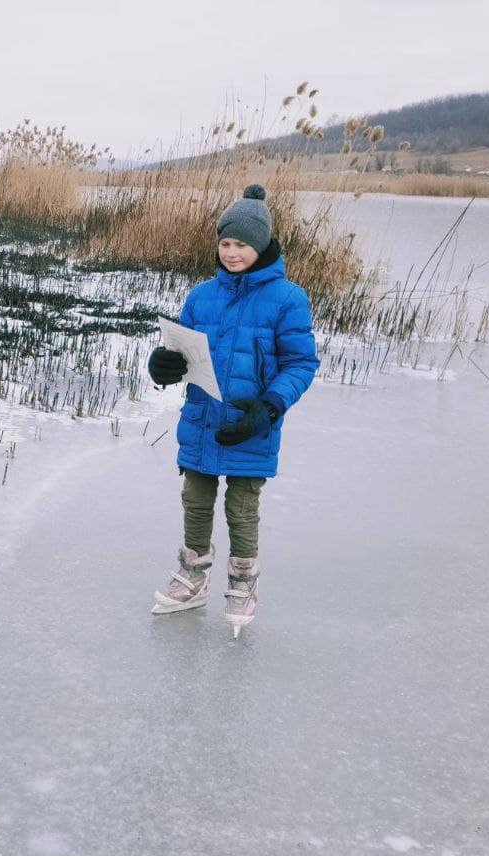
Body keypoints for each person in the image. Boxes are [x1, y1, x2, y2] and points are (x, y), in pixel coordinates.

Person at [147, 184, 320, 636]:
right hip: (203, 421)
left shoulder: (287, 298)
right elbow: (181, 348)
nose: (231, 252)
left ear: (260, 245)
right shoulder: (202, 296)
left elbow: (301, 362)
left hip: (252, 424)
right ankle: (193, 576)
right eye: (225, 243)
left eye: (241, 244)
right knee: (196, 499)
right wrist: (163, 364)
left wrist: (269, 406)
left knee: (242, 507)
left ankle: (243, 583)